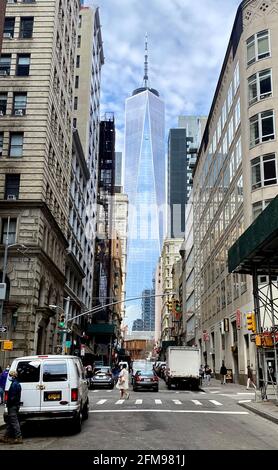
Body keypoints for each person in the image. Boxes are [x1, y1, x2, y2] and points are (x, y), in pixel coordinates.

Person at [0, 370, 23, 444]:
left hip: (12, 405)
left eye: (10, 375)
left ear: (13, 376)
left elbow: (12, 397)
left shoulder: (14, 385)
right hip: (15, 405)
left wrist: (7, 403)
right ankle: (5, 436)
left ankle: (18, 437)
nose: (9, 377)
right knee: (10, 422)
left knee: (14, 422)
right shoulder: (16, 383)